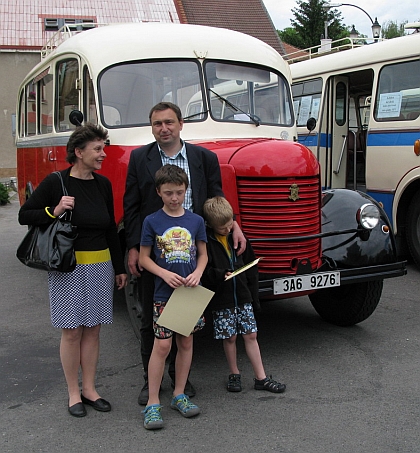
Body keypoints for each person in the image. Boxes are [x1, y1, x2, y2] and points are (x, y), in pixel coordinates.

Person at [123, 101, 246, 405]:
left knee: (186, 320)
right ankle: (149, 380)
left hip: (193, 252)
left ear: (180, 125)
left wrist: (235, 225)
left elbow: (217, 197)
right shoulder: (140, 158)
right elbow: (132, 206)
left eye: (168, 122)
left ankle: (181, 380)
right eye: (156, 124)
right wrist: (134, 247)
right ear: (151, 128)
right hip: (158, 255)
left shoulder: (204, 158)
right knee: (151, 318)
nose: (163, 129)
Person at [18, 123, 127, 418]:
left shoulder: (102, 184)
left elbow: (110, 229)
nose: (103, 154)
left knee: (93, 330)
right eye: (97, 149)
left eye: (103, 148)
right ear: (78, 152)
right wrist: (53, 211)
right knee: (71, 332)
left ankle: (90, 389)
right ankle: (72, 393)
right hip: (68, 266)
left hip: (100, 265)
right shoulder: (57, 182)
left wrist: (119, 267)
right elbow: (23, 215)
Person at [139, 164, 207, 429]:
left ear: (186, 190)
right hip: (164, 292)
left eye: (179, 192)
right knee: (163, 346)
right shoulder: (152, 221)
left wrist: (199, 273)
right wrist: (163, 274)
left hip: (189, 293)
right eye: (168, 193)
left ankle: (179, 394)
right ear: (159, 192)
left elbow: (203, 254)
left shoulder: (195, 221)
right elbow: (144, 258)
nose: (174, 198)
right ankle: (153, 402)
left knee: (186, 343)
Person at [201, 197, 286, 394]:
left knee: (251, 334)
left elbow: (251, 268)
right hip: (222, 299)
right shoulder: (206, 243)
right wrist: (221, 274)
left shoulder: (238, 237)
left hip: (243, 295)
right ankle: (234, 373)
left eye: (230, 224)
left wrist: (254, 298)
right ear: (211, 226)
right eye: (222, 228)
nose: (228, 230)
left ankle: (261, 377)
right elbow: (205, 273)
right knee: (229, 337)